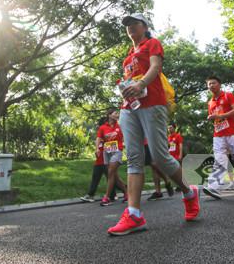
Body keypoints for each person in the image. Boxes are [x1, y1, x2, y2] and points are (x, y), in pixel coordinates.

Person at [107, 13, 199, 236]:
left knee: (159, 157)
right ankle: (134, 214)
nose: (130, 28)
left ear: (144, 26)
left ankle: (188, 192)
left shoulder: (152, 43)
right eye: (127, 25)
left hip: (153, 104)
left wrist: (140, 84)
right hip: (129, 108)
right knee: (135, 158)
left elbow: (155, 67)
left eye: (134, 23)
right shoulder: (127, 57)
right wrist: (129, 90)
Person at [202, 76, 234, 199]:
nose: (211, 86)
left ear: (219, 84)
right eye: (209, 84)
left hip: (232, 133)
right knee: (219, 160)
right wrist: (213, 118)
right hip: (218, 135)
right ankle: (214, 187)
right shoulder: (210, 102)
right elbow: (215, 118)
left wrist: (220, 116)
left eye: (213, 83)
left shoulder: (228, 95)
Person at [96, 109, 128, 206]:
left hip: (117, 151)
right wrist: (97, 148)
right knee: (114, 175)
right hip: (107, 153)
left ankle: (107, 197)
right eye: (115, 113)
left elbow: (127, 136)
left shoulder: (120, 126)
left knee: (110, 173)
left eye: (117, 113)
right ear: (109, 115)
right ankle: (127, 193)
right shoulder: (103, 127)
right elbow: (98, 138)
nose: (117, 114)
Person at [80, 132, 121, 203]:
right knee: (95, 179)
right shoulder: (98, 141)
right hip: (98, 163)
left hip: (106, 163)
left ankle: (117, 193)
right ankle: (90, 195)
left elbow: (113, 151)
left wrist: (106, 143)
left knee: (113, 180)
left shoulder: (108, 140)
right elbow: (97, 151)